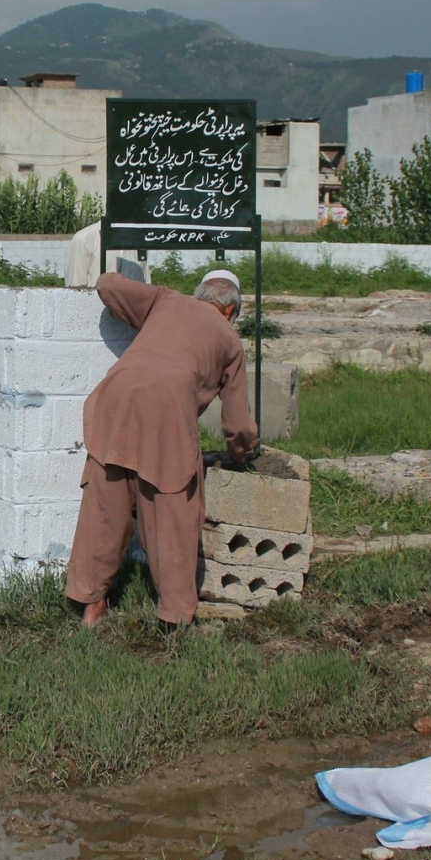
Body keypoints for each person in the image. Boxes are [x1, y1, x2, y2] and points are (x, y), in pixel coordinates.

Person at [66, 269, 260, 630]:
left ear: (199, 294)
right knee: (173, 514)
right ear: (231, 311)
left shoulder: (165, 299)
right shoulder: (229, 340)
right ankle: (173, 616)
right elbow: (237, 423)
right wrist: (243, 451)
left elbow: (107, 284)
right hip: (168, 412)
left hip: (115, 399)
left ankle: (92, 605)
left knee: (105, 508)